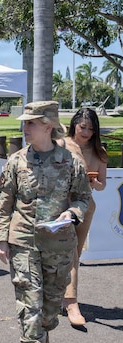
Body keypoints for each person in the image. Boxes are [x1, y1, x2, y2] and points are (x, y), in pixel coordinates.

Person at [0, 101, 91, 343]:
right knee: (30, 301)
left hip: (59, 245)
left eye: (31, 123)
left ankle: (41, 334)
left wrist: (72, 214)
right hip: (23, 241)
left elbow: (83, 199)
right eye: (25, 123)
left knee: (50, 309)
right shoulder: (16, 161)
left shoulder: (71, 161)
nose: (25, 128)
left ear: (48, 126)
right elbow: (5, 201)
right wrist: (1, 238)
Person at [62, 107, 107, 326]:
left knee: (74, 255)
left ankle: (63, 297)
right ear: (74, 125)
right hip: (61, 207)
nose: (86, 132)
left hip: (86, 207)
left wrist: (95, 183)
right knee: (67, 253)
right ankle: (71, 303)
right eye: (82, 127)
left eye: (91, 128)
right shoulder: (61, 145)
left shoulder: (99, 152)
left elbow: (102, 185)